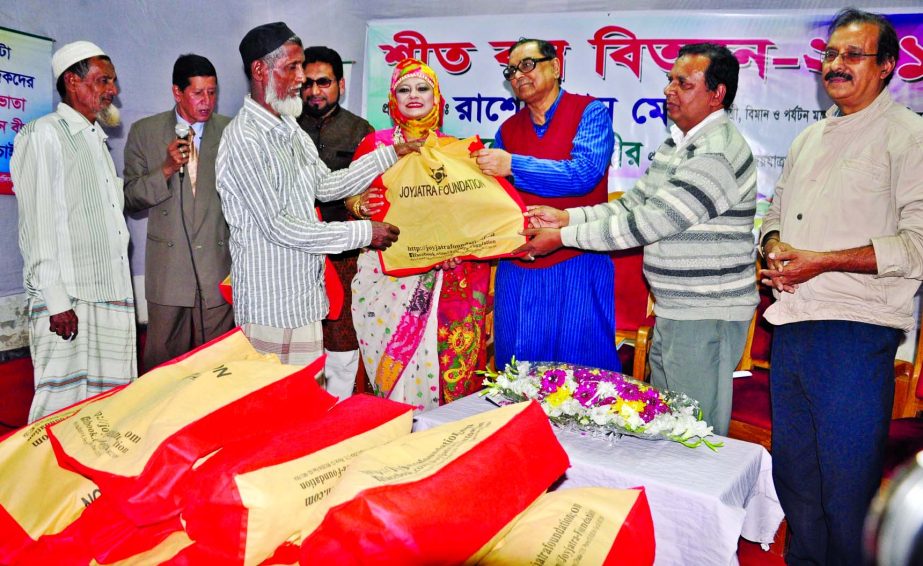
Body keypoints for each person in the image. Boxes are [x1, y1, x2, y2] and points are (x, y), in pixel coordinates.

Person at [512, 43, 757, 437]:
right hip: (676, 307)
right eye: (669, 80)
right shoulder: (677, 143)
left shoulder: (717, 151)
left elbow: (649, 223)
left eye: (683, 83)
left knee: (692, 436)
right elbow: (632, 205)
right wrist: (567, 216)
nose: (668, 90)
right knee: (666, 428)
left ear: (717, 94)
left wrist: (563, 237)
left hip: (705, 312)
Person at [760, 9, 923, 563]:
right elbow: (775, 211)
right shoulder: (808, 136)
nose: (835, 65)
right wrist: (774, 246)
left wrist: (820, 262)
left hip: (855, 333)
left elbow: (917, 244)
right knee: (797, 483)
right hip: (792, 322)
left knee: (846, 492)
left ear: (886, 67)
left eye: (852, 55)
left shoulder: (909, 136)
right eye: (830, 54)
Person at [217, 22, 412, 369]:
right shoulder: (243, 139)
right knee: (270, 411)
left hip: (304, 301)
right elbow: (280, 227)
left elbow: (326, 186)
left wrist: (392, 154)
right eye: (292, 67)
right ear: (260, 70)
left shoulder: (289, 127)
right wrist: (364, 232)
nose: (301, 79)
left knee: (306, 406)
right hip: (268, 307)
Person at [351, 58, 490, 412]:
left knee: (440, 362)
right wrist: (360, 206)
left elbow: (469, 213)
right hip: (385, 275)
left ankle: (433, 437)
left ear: (436, 97)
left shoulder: (455, 150)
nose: (414, 96)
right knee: (387, 374)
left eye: (422, 88)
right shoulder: (375, 144)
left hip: (441, 276)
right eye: (404, 89)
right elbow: (349, 194)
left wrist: (464, 248)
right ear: (392, 99)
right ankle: (391, 429)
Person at [472, 38, 620, 372]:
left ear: (555, 67)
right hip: (520, 262)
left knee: (581, 375)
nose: (518, 75)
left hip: (578, 258)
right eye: (511, 70)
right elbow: (496, 199)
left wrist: (513, 165)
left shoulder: (590, 112)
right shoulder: (507, 130)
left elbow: (584, 174)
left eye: (528, 64)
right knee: (518, 370)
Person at [12, 41, 136, 421]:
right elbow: (38, 223)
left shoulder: (96, 141)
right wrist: (56, 301)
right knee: (59, 415)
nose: (111, 90)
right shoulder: (44, 134)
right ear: (72, 82)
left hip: (110, 298)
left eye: (112, 81)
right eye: (103, 80)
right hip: (69, 305)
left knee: (108, 416)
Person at [123, 54, 233, 372]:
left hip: (218, 272)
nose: (207, 101)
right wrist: (167, 169)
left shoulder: (231, 132)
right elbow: (130, 198)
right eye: (198, 93)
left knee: (218, 370)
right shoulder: (145, 132)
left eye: (212, 92)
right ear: (176, 92)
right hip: (169, 274)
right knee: (163, 372)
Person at [296, 46, 373, 398]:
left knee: (342, 342)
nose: (314, 91)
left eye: (323, 82)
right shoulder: (286, 130)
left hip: (345, 258)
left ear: (340, 83)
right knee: (300, 343)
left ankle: (339, 418)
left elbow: (375, 194)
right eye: (307, 83)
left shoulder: (361, 131)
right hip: (295, 254)